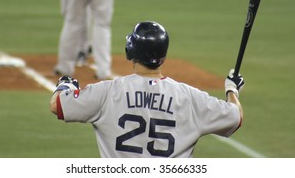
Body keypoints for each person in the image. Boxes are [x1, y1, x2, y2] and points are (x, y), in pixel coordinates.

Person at [50, 21, 245, 158]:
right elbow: (235, 117)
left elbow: (58, 105)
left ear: (131, 51)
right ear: (163, 55)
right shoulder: (190, 97)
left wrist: (66, 85)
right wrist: (231, 90)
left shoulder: (108, 92)